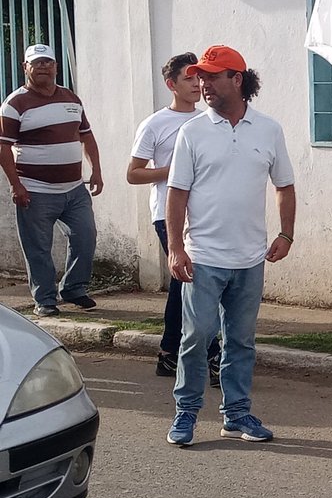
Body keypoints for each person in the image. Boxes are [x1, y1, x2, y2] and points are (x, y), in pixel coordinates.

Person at [164, 45, 296, 447]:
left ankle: (236, 415)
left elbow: (285, 187)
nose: (203, 84)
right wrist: (175, 246)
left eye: (212, 76)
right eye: (200, 77)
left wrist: (286, 234)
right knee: (197, 336)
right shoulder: (193, 131)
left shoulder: (268, 129)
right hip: (203, 256)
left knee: (240, 341)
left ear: (237, 80)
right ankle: (185, 414)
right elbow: (176, 193)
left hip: (250, 257)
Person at [127, 52, 221, 384]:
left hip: (207, 215)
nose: (197, 84)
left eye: (200, 78)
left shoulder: (208, 119)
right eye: (189, 79)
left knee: (185, 287)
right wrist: (175, 170)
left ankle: (169, 353)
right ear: (172, 84)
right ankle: (211, 357)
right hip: (169, 215)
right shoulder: (155, 124)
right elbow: (134, 173)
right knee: (198, 284)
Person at [0, 43, 103, 316]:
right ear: (26, 68)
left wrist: (97, 171)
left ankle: (74, 288)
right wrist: (15, 184)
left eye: (48, 62)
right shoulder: (14, 104)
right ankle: (45, 299)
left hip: (74, 188)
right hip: (35, 189)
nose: (43, 67)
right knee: (38, 248)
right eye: (36, 63)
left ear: (56, 67)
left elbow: (87, 136)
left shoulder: (71, 98)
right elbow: (3, 147)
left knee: (85, 236)